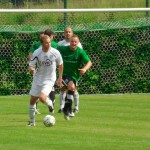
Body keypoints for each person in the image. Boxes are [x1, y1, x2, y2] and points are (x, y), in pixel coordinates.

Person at [27, 35, 63, 126]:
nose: (49, 44)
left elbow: (61, 65)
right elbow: (31, 65)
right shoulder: (37, 52)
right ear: (42, 43)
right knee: (32, 100)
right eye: (46, 43)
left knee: (42, 98)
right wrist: (31, 69)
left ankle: (50, 104)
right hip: (38, 78)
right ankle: (32, 122)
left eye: (49, 42)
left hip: (50, 79)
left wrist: (60, 78)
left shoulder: (55, 52)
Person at [57, 35, 92, 120]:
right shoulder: (63, 49)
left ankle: (66, 109)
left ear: (78, 43)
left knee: (71, 90)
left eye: (75, 42)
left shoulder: (80, 52)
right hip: (64, 74)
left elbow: (89, 62)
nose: (73, 43)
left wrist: (84, 69)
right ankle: (68, 109)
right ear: (70, 42)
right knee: (71, 87)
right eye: (72, 41)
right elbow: (54, 48)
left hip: (74, 76)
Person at [57, 27, 83, 114]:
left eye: (69, 32)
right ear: (64, 33)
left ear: (72, 33)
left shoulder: (78, 45)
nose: (68, 33)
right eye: (66, 32)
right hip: (64, 71)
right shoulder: (60, 44)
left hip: (74, 72)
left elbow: (81, 56)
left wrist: (82, 68)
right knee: (63, 88)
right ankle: (62, 107)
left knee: (73, 89)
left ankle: (75, 107)